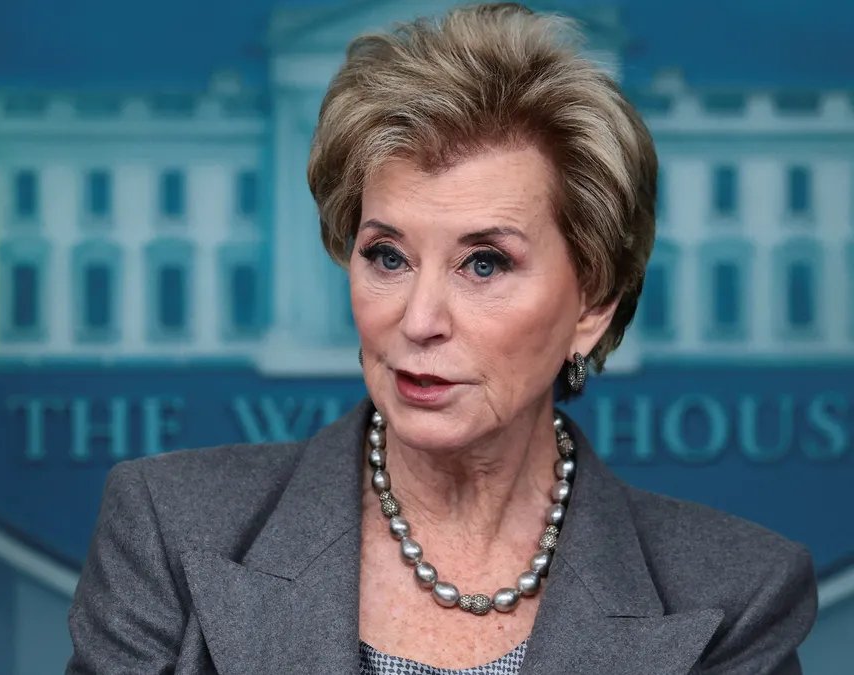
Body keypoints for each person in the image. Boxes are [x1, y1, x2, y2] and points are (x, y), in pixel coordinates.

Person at [65, 4, 818, 673]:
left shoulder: (733, 597)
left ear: (591, 302)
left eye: (483, 263)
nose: (419, 319)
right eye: (387, 256)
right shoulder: (167, 528)